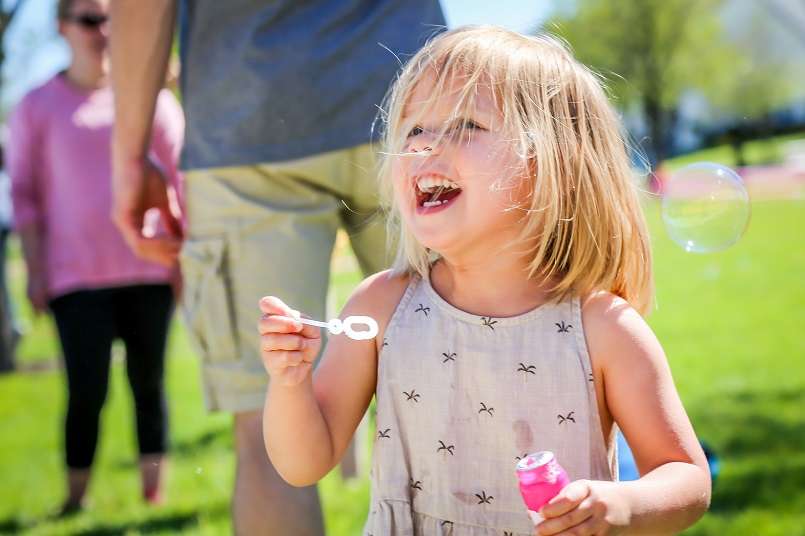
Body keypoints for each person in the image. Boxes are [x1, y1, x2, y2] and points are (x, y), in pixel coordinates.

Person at [259, 26, 712, 536]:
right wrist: (290, 384)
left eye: (465, 124)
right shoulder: (382, 306)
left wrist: (622, 506)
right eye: (413, 130)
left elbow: (687, 478)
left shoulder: (604, 329)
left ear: (550, 165)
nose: (425, 144)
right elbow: (302, 463)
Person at [109, 1, 445, 533]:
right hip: (413, 103)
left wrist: (129, 154)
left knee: (267, 434)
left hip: (247, 130)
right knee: (465, 393)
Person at [7, 0, 183, 513]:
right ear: (62, 28)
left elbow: (180, 178)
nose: (102, 31)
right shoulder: (37, 106)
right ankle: (73, 501)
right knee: (86, 389)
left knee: (149, 385)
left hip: (149, 267)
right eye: (88, 19)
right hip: (75, 277)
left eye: (109, 18)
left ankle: (155, 500)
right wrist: (36, 271)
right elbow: (25, 196)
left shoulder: (153, 102)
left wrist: (181, 261)